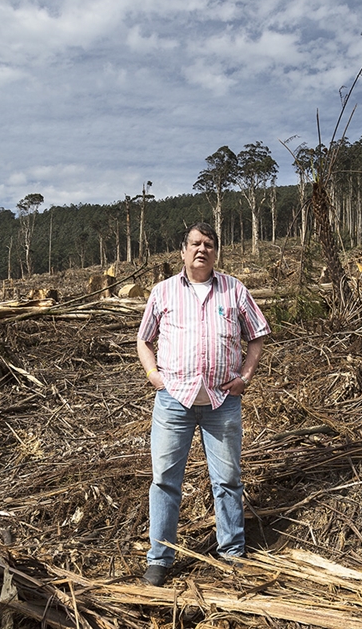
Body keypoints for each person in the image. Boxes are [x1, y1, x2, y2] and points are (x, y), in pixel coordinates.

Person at [136, 222, 270, 587]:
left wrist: (246, 375)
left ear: (216, 252)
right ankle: (160, 558)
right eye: (195, 243)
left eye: (208, 244)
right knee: (165, 481)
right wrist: (152, 374)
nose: (201, 249)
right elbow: (144, 339)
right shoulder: (163, 292)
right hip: (173, 402)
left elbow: (257, 336)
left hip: (221, 401)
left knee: (227, 479)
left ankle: (232, 553)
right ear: (183, 251)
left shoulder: (234, 289)